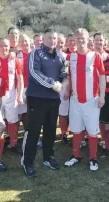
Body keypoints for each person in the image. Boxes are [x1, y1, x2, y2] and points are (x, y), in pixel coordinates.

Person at [21, 28, 68, 178]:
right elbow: (34, 73)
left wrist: (60, 81)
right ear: (43, 39)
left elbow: (63, 73)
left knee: (50, 130)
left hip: (53, 99)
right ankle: (27, 162)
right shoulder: (36, 53)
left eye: (55, 38)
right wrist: (52, 84)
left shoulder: (60, 56)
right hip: (37, 98)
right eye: (49, 38)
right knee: (34, 131)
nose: (52, 41)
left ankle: (48, 157)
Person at [63, 28, 106, 171]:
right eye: (78, 38)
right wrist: (66, 90)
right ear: (74, 39)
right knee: (76, 129)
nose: (80, 40)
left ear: (88, 40)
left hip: (92, 100)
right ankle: (75, 155)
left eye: (83, 38)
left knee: (93, 131)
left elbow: (102, 76)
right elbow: (68, 77)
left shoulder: (95, 56)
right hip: (75, 100)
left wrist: (102, 96)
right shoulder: (71, 57)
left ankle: (93, 158)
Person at [0, 38, 24, 153]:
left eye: (7, 46)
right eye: (2, 45)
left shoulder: (15, 60)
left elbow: (20, 78)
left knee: (12, 120)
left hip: (11, 94)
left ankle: (13, 144)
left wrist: (19, 95)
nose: (5, 48)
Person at [16, 34, 32, 132]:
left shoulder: (35, 53)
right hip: (21, 88)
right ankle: (26, 133)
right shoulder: (17, 55)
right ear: (19, 44)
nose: (24, 43)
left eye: (25, 41)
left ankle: (34, 134)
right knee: (23, 113)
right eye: (22, 41)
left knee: (33, 112)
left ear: (30, 41)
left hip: (34, 88)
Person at [56, 33, 70, 144]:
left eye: (62, 42)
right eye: (58, 42)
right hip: (50, 88)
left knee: (63, 113)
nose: (60, 44)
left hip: (63, 88)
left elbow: (68, 75)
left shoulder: (67, 57)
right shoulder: (47, 55)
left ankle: (64, 133)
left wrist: (67, 90)